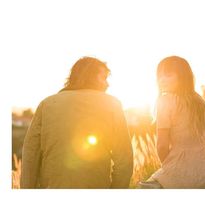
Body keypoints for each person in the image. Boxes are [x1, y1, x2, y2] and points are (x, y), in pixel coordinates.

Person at [21, 56, 133, 189]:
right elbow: (124, 160)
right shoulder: (112, 104)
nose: (107, 84)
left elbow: (30, 156)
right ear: (89, 76)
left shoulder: (47, 104)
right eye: (103, 78)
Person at [139, 56, 205, 189]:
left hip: (179, 168)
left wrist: (168, 165)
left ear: (182, 77)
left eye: (168, 75)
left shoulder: (165, 101)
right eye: (160, 76)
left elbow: (162, 145)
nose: (162, 79)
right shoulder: (200, 102)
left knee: (143, 187)